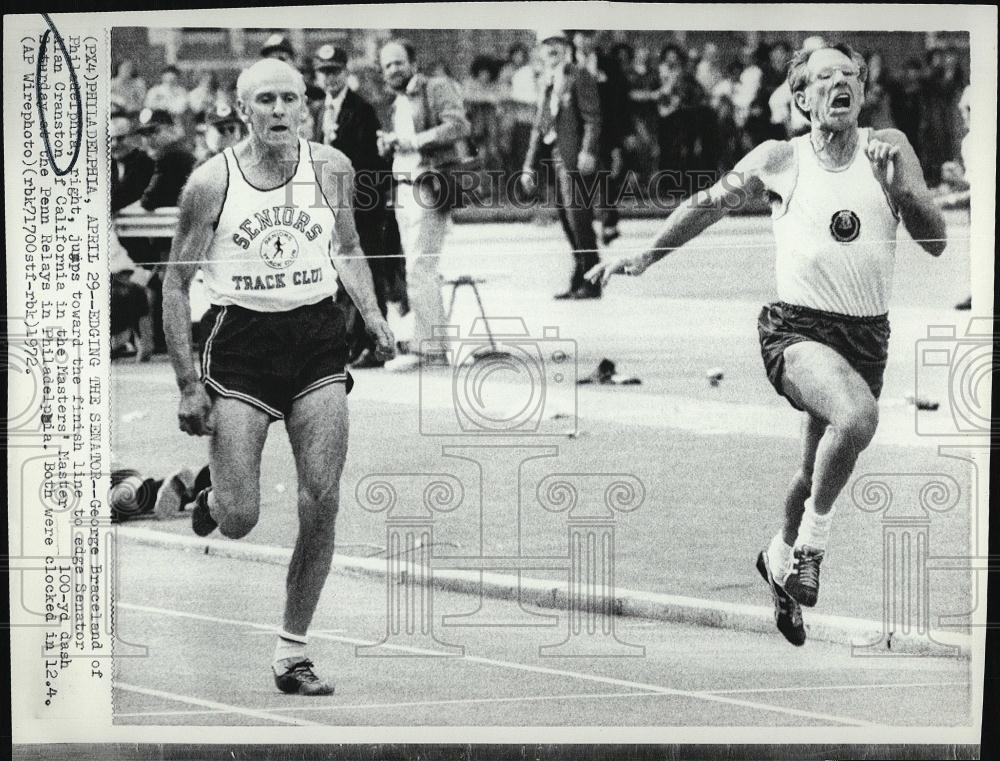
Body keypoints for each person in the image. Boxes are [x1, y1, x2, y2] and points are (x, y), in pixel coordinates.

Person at [588, 42, 945, 646]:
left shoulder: (892, 148)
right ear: (801, 99)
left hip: (866, 337)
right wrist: (644, 256)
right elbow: (708, 205)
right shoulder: (781, 158)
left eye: (848, 75)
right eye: (823, 76)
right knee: (857, 419)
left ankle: (778, 555)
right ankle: (811, 549)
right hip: (797, 330)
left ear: (861, 89)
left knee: (812, 473)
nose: (839, 84)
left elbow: (936, 243)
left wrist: (900, 190)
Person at [161, 58, 395, 695]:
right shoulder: (212, 182)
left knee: (321, 500)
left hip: (316, 339)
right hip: (241, 343)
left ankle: (292, 652)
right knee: (240, 519)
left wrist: (372, 315)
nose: (281, 111)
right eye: (265, 100)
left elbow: (346, 246)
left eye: (291, 98)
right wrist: (187, 383)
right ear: (243, 110)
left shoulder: (332, 169)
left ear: (307, 105)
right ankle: (204, 490)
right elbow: (176, 283)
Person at [377, 38, 472, 370]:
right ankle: (429, 340)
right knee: (416, 267)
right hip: (404, 191)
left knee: (421, 268)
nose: (393, 70)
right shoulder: (397, 103)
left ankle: (429, 347)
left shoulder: (436, 87)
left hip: (429, 187)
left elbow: (459, 125)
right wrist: (390, 146)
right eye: (387, 65)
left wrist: (412, 141)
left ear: (412, 63)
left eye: (398, 62)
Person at [313, 43, 395, 369]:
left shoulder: (361, 109)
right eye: (324, 72)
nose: (330, 78)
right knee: (339, 276)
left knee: (367, 271)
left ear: (345, 72)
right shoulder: (320, 110)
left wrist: (362, 202)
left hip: (362, 205)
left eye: (335, 71)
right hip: (329, 206)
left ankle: (374, 343)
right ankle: (350, 342)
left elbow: (371, 163)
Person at [522, 29, 602, 300]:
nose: (551, 48)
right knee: (568, 220)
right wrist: (528, 165)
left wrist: (588, 151)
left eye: (556, 43)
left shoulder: (579, 75)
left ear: (566, 47)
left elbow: (592, 118)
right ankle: (580, 275)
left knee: (579, 218)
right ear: (540, 51)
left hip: (573, 158)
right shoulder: (545, 80)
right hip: (552, 158)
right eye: (546, 44)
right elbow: (539, 125)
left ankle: (592, 279)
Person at [134, 107, 197, 354]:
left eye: (154, 131)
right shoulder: (179, 152)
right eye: (145, 133)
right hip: (178, 233)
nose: (148, 138)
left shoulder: (171, 156)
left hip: (175, 234)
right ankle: (162, 341)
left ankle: (165, 342)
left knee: (167, 284)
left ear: (170, 129)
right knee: (164, 283)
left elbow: (150, 199)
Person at [572, 29, 629, 246]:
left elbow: (619, 105)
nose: (586, 40)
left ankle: (608, 220)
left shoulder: (610, 65)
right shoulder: (566, 64)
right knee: (576, 179)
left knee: (605, 174)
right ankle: (582, 226)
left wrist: (619, 139)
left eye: (591, 34)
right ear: (575, 37)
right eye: (582, 34)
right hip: (574, 132)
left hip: (604, 131)